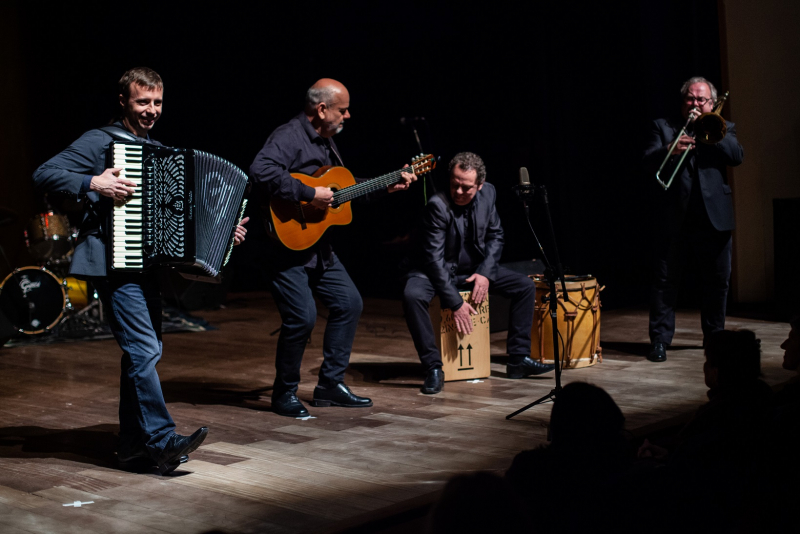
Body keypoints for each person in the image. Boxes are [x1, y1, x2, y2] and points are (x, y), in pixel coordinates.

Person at [32, 67, 248, 475]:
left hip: (145, 265)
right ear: (123, 102)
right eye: (142, 102)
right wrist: (94, 182)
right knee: (144, 350)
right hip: (110, 262)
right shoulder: (100, 140)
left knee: (143, 352)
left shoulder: (159, 151)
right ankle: (162, 439)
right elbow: (43, 173)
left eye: (157, 103)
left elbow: (183, 220)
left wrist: (220, 233)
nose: (151, 110)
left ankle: (133, 447)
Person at [250, 78, 416, 417]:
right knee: (302, 318)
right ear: (321, 109)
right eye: (342, 109)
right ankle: (284, 393)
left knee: (350, 303)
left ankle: (329, 385)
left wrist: (388, 185)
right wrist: (310, 194)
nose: (348, 115)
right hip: (286, 246)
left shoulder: (327, 144)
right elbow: (260, 170)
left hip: (317, 246)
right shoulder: (289, 135)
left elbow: (341, 192)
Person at [402, 152, 553, 394]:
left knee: (525, 287)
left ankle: (517, 359)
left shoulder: (489, 193)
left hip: (474, 270)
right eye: (455, 185)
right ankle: (433, 367)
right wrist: (454, 302)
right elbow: (433, 259)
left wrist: (485, 273)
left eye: (467, 188)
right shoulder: (437, 206)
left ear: (480, 185)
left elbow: (496, 236)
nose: (459, 192)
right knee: (412, 295)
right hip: (435, 271)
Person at [642, 76, 744, 362]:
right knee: (665, 281)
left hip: (714, 219)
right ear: (683, 101)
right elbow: (647, 162)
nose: (696, 104)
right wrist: (669, 148)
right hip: (674, 217)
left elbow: (737, 157)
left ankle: (714, 339)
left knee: (717, 281)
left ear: (712, 104)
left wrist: (712, 133)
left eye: (702, 99)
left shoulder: (725, 128)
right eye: (691, 98)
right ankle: (659, 341)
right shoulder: (663, 127)